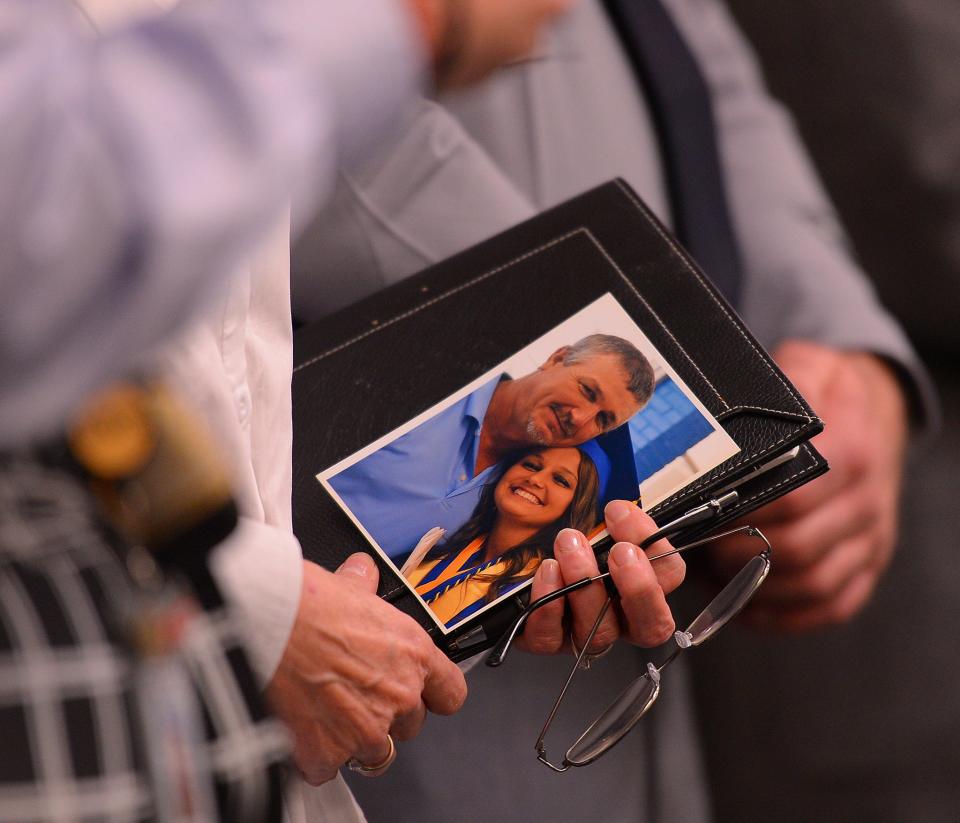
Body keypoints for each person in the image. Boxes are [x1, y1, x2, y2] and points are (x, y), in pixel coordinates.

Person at [291, 1, 934, 819]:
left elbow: (697, 63)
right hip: (376, 654)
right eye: (589, 401)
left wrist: (835, 343)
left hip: (652, 635)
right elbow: (247, 58)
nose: (584, 423)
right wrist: (691, 381)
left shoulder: (603, 443)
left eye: (601, 419)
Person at [328, 333, 654, 563]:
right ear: (556, 359)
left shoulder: (510, 498)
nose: (580, 418)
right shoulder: (439, 378)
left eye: (603, 420)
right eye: (586, 390)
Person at [405, 443, 602, 628]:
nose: (535, 479)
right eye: (531, 465)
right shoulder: (451, 542)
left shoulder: (530, 593)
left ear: (576, 508)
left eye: (560, 480)